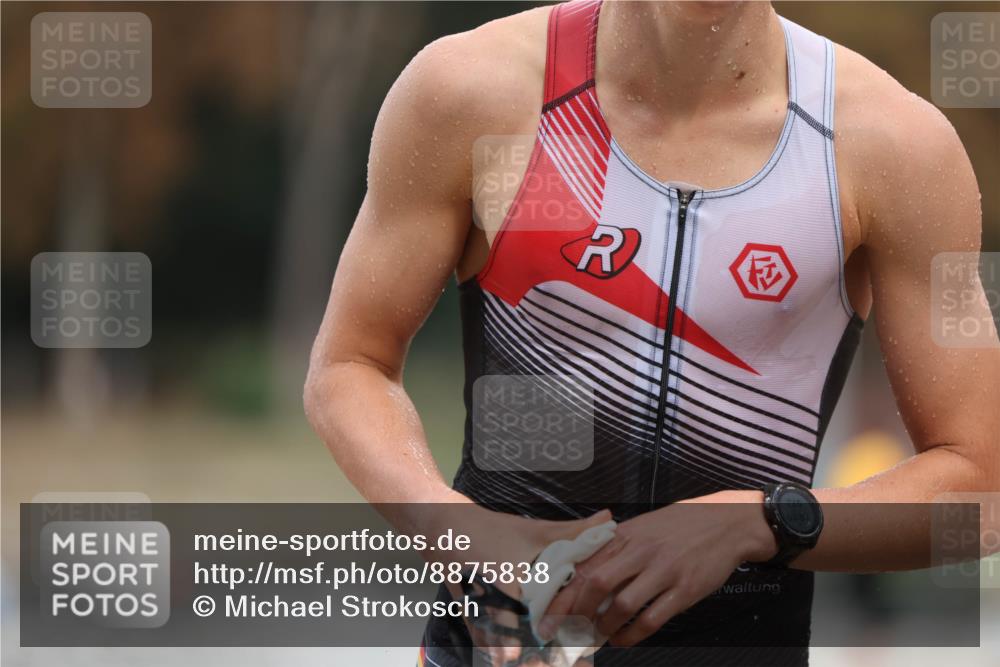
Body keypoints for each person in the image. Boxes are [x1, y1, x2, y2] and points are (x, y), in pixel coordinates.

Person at [304, 1, 999, 665]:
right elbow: (350, 365)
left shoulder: (892, 146)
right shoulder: (475, 92)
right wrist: (453, 527)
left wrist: (760, 522)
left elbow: (982, 487)